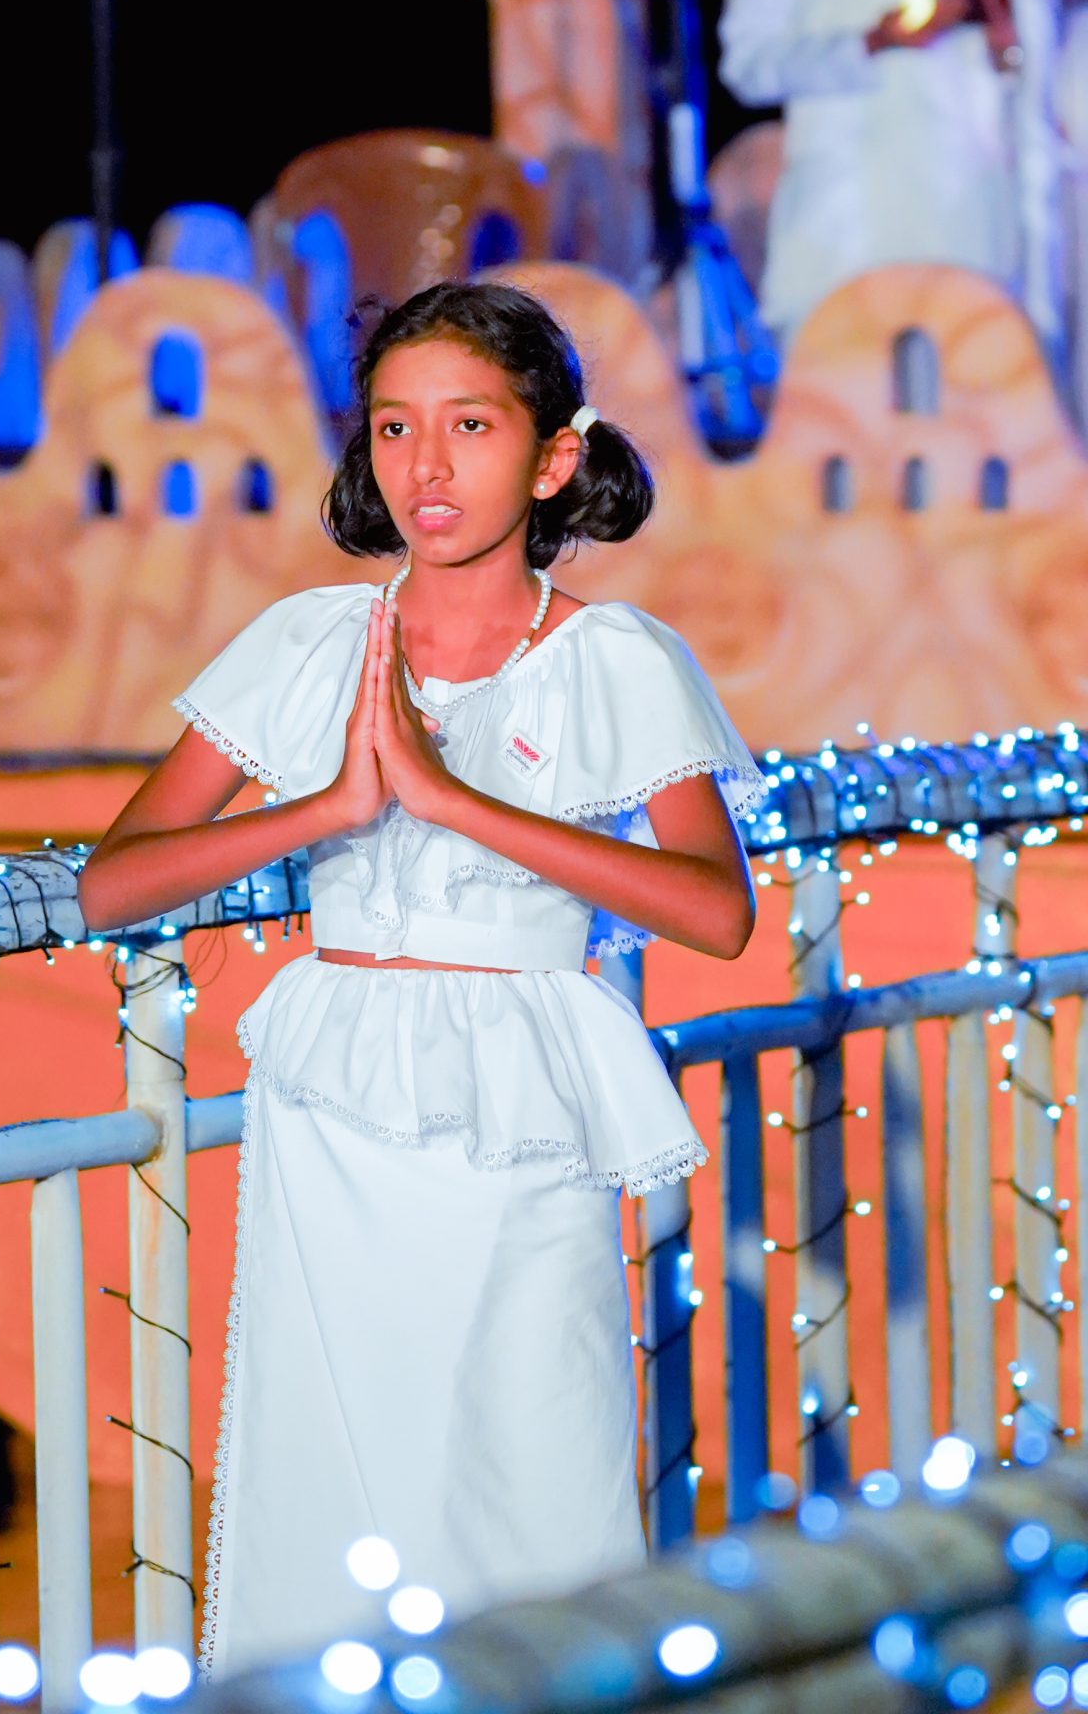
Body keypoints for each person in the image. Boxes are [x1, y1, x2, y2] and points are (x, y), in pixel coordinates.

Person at [75, 280, 767, 1678]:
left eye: (469, 426)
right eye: (395, 429)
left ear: (554, 455)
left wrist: (456, 802)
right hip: (333, 1099)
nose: (427, 468)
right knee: (326, 1470)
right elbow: (116, 882)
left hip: (520, 1095)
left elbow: (718, 910)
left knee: (533, 1458)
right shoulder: (310, 639)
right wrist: (329, 809)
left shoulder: (614, 659)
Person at [718, 0, 1020, 341]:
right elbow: (748, 64)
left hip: (977, 212)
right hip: (851, 215)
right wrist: (870, 42)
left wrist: (1014, 42)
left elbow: (1038, 59)